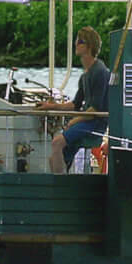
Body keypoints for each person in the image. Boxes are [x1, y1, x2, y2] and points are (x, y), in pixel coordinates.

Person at [40, 27, 111, 174]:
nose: (76, 44)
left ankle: (59, 185)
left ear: (89, 46)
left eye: (80, 41)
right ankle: (61, 184)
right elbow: (75, 104)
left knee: (57, 143)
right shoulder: (85, 75)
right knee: (54, 158)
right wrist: (50, 106)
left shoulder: (99, 71)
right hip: (86, 121)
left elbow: (94, 110)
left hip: (94, 124)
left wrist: (73, 121)